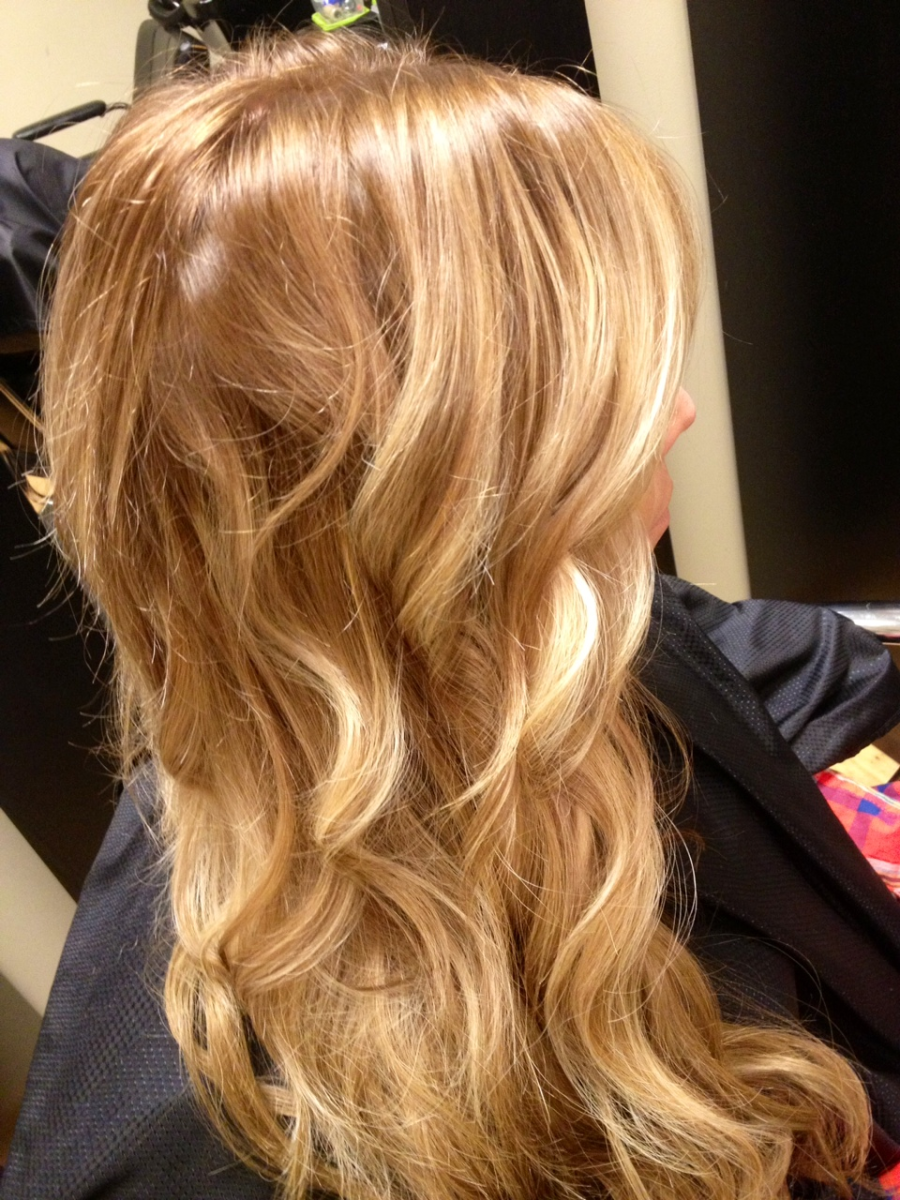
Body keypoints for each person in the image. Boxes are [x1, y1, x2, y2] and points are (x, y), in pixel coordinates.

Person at [5, 30, 900, 1200]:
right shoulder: (216, 1143)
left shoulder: (545, 622)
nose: (677, 412)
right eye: (598, 389)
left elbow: (757, 654)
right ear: (427, 489)